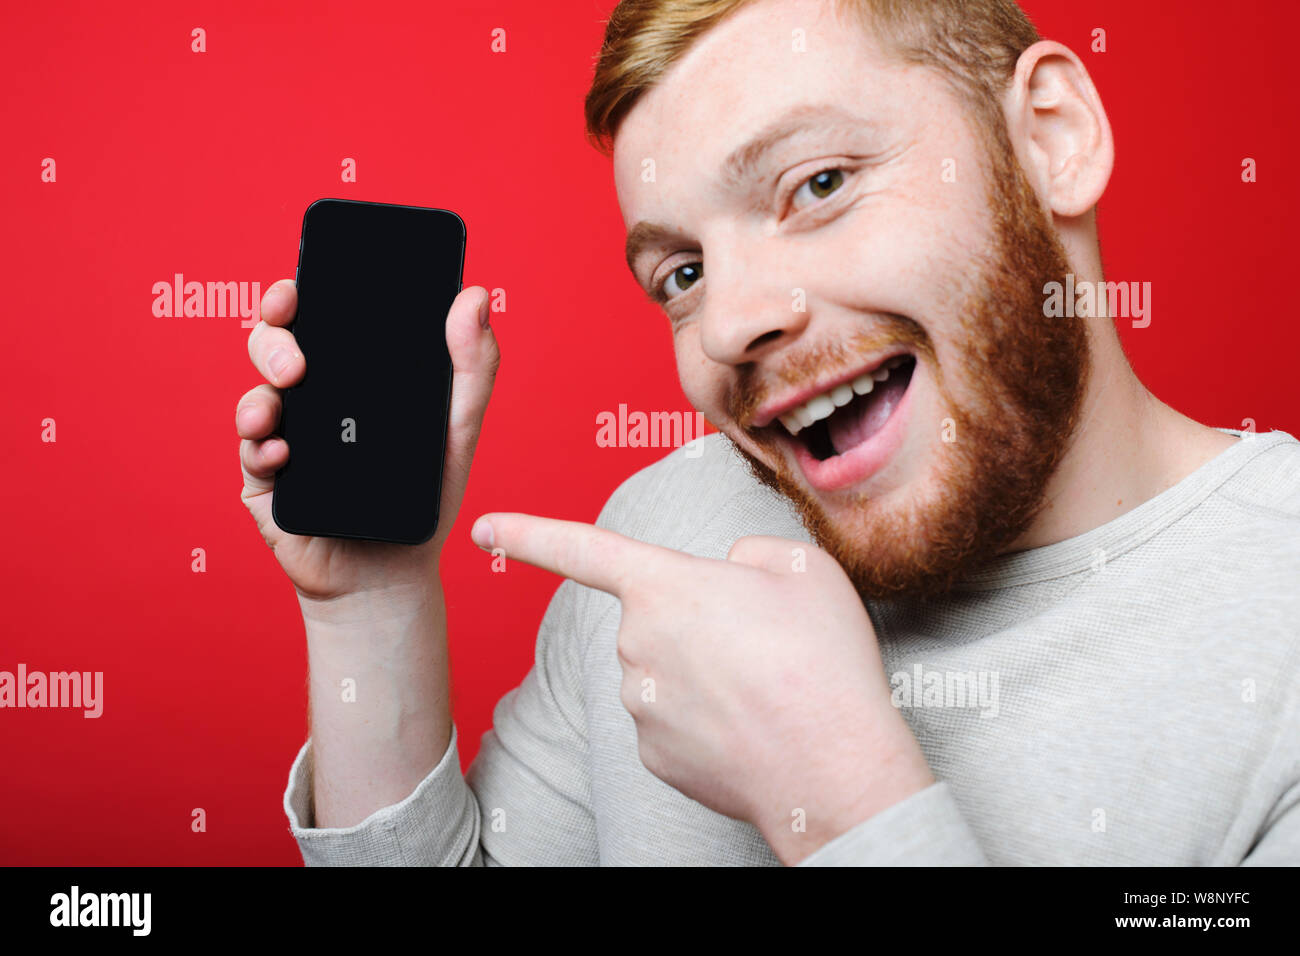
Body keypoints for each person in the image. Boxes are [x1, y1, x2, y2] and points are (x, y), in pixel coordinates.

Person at [235, 0, 1300, 865]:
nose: (735, 320)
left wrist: (838, 798)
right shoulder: (662, 535)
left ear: (1051, 141)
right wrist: (369, 613)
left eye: (818, 185)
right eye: (682, 273)